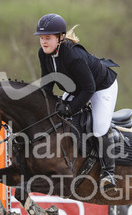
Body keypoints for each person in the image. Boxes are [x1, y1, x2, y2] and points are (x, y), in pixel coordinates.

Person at [35, 13, 119, 191]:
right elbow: (47, 85)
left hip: (101, 86)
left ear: (60, 38)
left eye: (48, 38)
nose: (43, 42)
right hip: (78, 88)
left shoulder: (74, 56)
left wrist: (71, 108)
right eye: (41, 38)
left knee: (99, 127)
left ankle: (108, 173)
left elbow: (89, 88)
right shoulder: (44, 54)